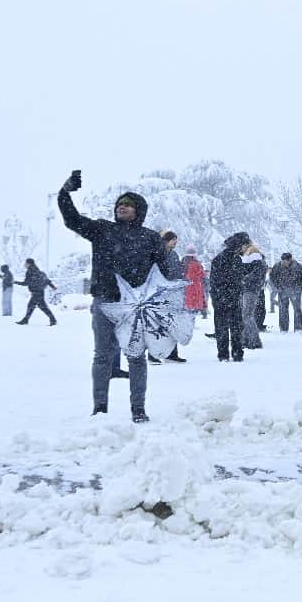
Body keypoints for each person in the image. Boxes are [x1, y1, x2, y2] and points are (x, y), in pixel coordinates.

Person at [58, 175, 170, 423]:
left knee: (136, 356)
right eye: (120, 203)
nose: (123, 206)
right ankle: (100, 408)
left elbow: (164, 273)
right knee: (103, 355)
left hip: (135, 306)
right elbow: (72, 220)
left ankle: (138, 409)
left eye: (129, 204)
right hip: (104, 302)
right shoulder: (102, 230)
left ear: (138, 211)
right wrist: (64, 194)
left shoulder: (151, 237)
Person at [146, 230, 188, 365]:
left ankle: (171, 354)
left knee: (172, 325)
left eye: (176, 240)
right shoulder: (157, 254)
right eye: (173, 240)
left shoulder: (174, 255)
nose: (175, 242)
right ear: (166, 240)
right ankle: (153, 355)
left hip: (173, 293)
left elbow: (178, 272)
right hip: (158, 294)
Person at [211, 232, 250, 362]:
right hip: (226, 298)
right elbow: (219, 281)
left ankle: (230, 354)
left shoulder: (233, 259)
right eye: (245, 246)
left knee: (230, 327)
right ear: (239, 245)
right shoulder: (225, 259)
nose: (246, 249)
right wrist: (224, 296)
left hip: (227, 298)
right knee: (231, 327)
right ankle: (231, 354)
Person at [269, 252, 302, 333]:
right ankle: (283, 328)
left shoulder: (298, 266)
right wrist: (277, 287)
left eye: (286, 260)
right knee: (283, 309)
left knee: (297, 309)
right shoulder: (277, 266)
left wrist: (300, 287)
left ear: (290, 260)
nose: (284, 262)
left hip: (295, 291)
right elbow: (272, 277)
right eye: (282, 260)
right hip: (282, 290)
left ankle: (299, 328)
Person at [240, 244, 268, 350]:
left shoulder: (257, 264)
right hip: (250, 291)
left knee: (247, 315)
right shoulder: (258, 264)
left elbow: (253, 277)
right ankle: (247, 339)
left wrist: (243, 279)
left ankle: (253, 340)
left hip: (250, 291)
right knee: (246, 315)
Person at [15, 258, 57, 326]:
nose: (24, 265)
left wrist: (15, 282)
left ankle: (53, 320)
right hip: (40, 292)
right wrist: (53, 286)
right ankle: (26, 320)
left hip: (36, 292)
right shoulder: (38, 270)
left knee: (40, 307)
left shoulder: (30, 272)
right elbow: (46, 280)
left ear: (29, 264)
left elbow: (26, 283)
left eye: (25, 263)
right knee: (33, 306)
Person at [182, 246, 208, 317]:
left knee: (188, 305)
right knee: (194, 305)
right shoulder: (197, 264)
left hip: (186, 286)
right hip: (196, 287)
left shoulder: (183, 262)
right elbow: (203, 275)